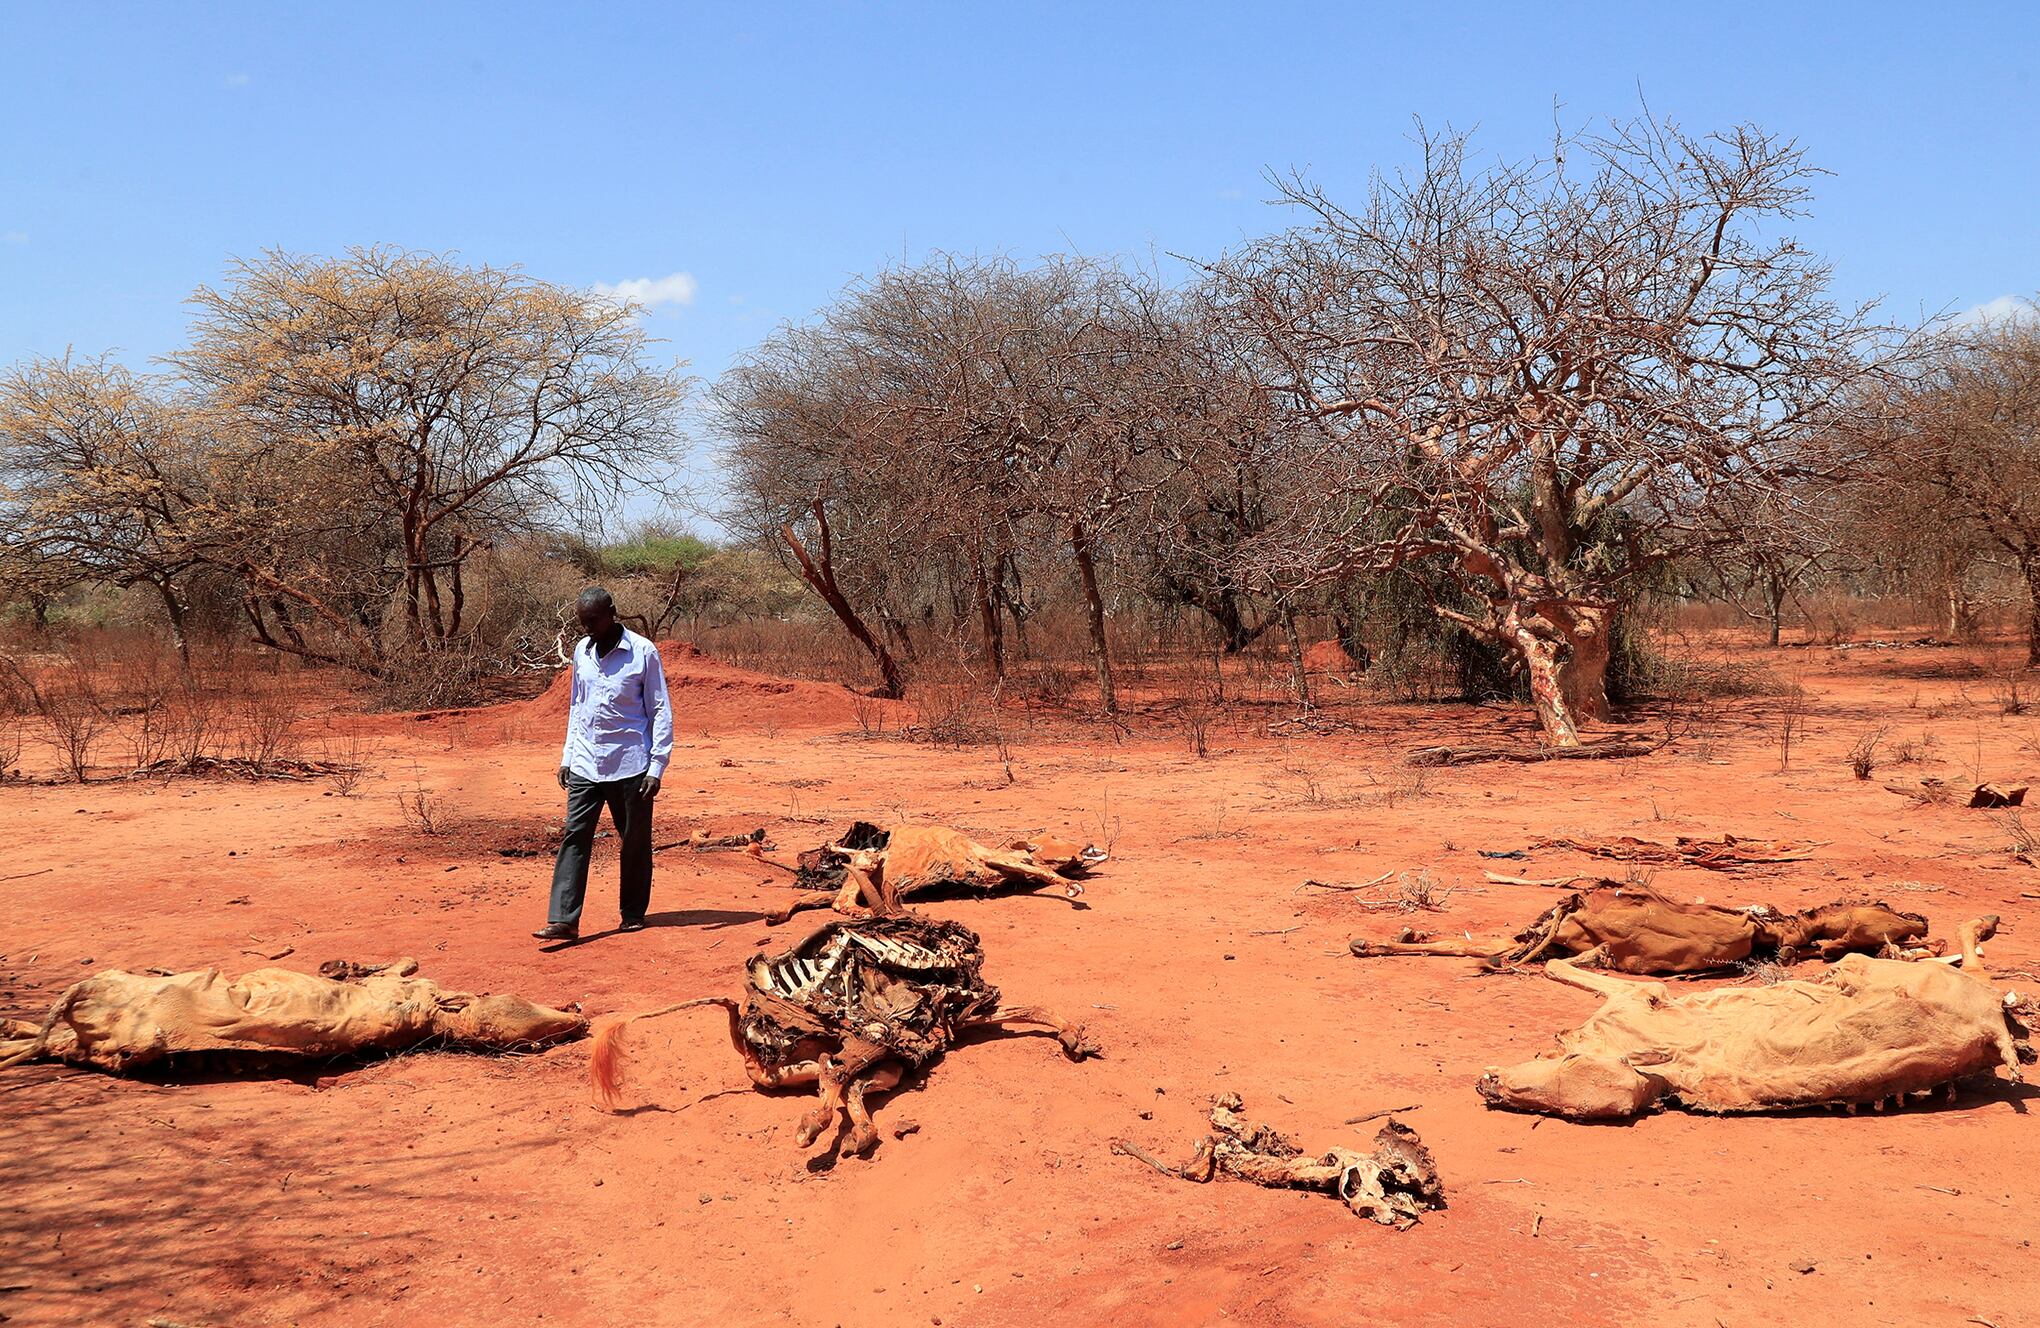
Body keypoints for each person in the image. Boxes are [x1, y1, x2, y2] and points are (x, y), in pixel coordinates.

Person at [533, 587, 673, 943]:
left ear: (612, 612)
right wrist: (567, 756)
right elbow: (577, 707)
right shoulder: (582, 651)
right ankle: (564, 919)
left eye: (593, 620)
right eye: (583, 623)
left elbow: (659, 710)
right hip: (585, 762)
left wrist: (656, 766)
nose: (588, 628)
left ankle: (632, 913)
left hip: (631, 765)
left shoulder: (643, 652)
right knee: (575, 835)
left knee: (634, 841)